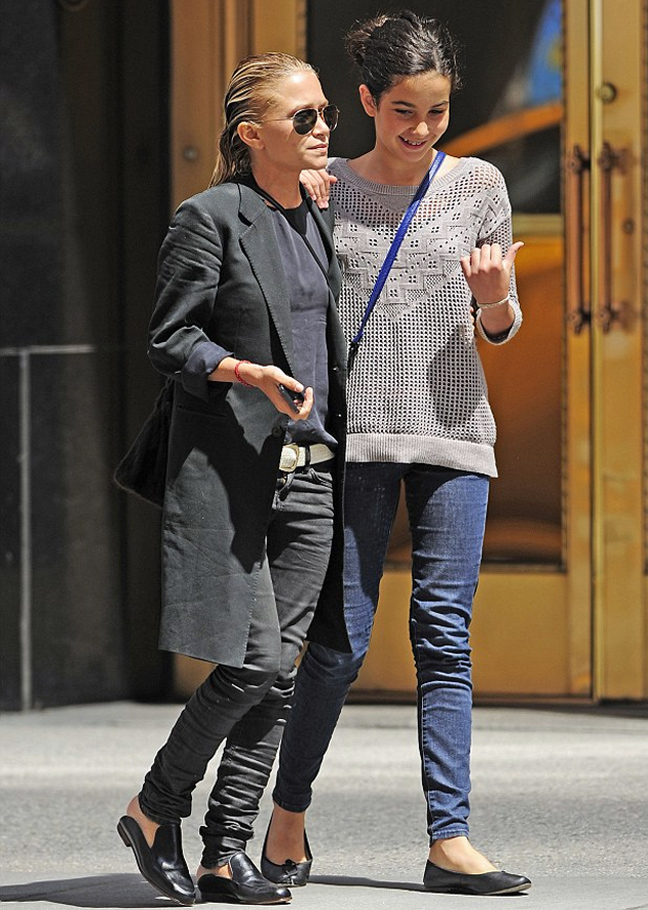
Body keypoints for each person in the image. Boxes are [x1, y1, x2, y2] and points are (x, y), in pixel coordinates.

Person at [261, 11, 532, 897]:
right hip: (355, 443)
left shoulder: (480, 185)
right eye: (403, 110)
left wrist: (495, 299)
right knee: (339, 643)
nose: (420, 129)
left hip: (454, 431)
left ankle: (450, 838)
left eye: (437, 111)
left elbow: (501, 326)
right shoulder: (326, 188)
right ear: (369, 101)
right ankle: (288, 818)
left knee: (443, 634)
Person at [117, 52, 349, 906]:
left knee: (281, 675)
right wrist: (245, 371)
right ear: (251, 134)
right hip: (234, 472)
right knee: (253, 666)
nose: (322, 129)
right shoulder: (209, 217)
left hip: (312, 477)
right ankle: (155, 805)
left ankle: (226, 850)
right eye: (303, 118)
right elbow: (170, 338)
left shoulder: (315, 213)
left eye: (326, 113)